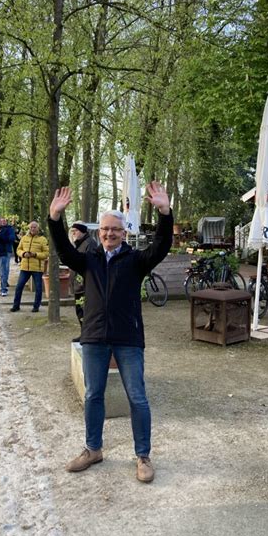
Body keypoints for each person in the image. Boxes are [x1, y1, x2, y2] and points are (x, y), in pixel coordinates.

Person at [48, 182, 172, 483]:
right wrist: (55, 219)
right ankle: (93, 449)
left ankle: (143, 455)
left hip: (128, 338)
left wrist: (165, 214)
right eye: (104, 229)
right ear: (98, 232)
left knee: (138, 398)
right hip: (93, 337)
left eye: (115, 229)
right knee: (93, 395)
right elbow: (64, 250)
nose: (109, 234)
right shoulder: (87, 260)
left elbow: (162, 246)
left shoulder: (135, 261)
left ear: (123, 232)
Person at [10, 221, 49, 313]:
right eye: (31, 227)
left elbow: (46, 253)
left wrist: (35, 254)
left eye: (34, 227)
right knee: (19, 287)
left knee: (38, 288)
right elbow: (18, 249)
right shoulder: (24, 238)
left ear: (38, 228)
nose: (32, 229)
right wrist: (23, 254)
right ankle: (16, 306)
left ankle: (36, 306)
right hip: (25, 267)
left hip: (37, 268)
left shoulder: (42, 239)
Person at [69, 222, 97, 341]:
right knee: (80, 310)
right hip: (77, 284)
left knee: (85, 311)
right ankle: (84, 334)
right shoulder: (78, 244)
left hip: (84, 284)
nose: (73, 233)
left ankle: (88, 335)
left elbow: (90, 264)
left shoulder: (89, 243)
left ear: (83, 232)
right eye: (72, 231)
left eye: (75, 231)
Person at [0, 217, 16, 296]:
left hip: (6, 251)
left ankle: (4, 286)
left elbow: (12, 238)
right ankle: (2, 283)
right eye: (1, 221)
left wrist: (2, 237)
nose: (2, 222)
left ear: (6, 222)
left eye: (4, 221)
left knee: (5, 269)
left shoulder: (10, 229)